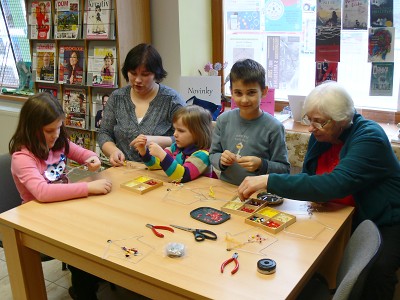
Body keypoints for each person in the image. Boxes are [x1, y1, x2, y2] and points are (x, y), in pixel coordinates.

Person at [238, 81, 400, 300]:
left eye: (319, 121)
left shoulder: (370, 137)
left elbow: (333, 184)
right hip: (339, 213)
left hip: (385, 218)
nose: (311, 128)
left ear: (342, 119)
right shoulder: (323, 134)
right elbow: (310, 177)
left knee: (376, 271)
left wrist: (268, 179)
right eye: (309, 119)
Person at [9, 92, 113, 300]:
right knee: (82, 245)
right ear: (31, 129)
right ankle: (84, 290)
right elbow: (43, 192)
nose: (56, 134)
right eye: (49, 130)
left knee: (100, 227)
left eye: (58, 128)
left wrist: (93, 158)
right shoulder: (22, 157)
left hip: (63, 207)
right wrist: (87, 188)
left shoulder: (59, 142)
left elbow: (83, 153)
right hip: (38, 217)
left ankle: (92, 276)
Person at [98, 43, 186, 166]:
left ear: (156, 74)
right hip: (124, 168)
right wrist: (114, 151)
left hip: (163, 171)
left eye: (145, 74)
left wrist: (154, 140)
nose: (138, 80)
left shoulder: (172, 100)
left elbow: (189, 138)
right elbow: (104, 133)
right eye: (133, 73)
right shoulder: (117, 98)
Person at [209, 58, 290, 186]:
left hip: (258, 193)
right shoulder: (223, 120)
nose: (244, 100)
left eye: (251, 93)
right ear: (231, 92)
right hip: (226, 188)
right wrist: (221, 160)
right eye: (238, 93)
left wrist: (261, 165)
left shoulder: (274, 127)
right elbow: (212, 154)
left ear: (264, 91)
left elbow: (284, 169)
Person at [133, 105, 214, 182]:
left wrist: (162, 154)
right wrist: (143, 152)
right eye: (175, 129)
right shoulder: (174, 147)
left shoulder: (203, 155)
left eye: (181, 131)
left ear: (198, 133)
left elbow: (182, 176)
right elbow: (155, 165)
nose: (175, 134)